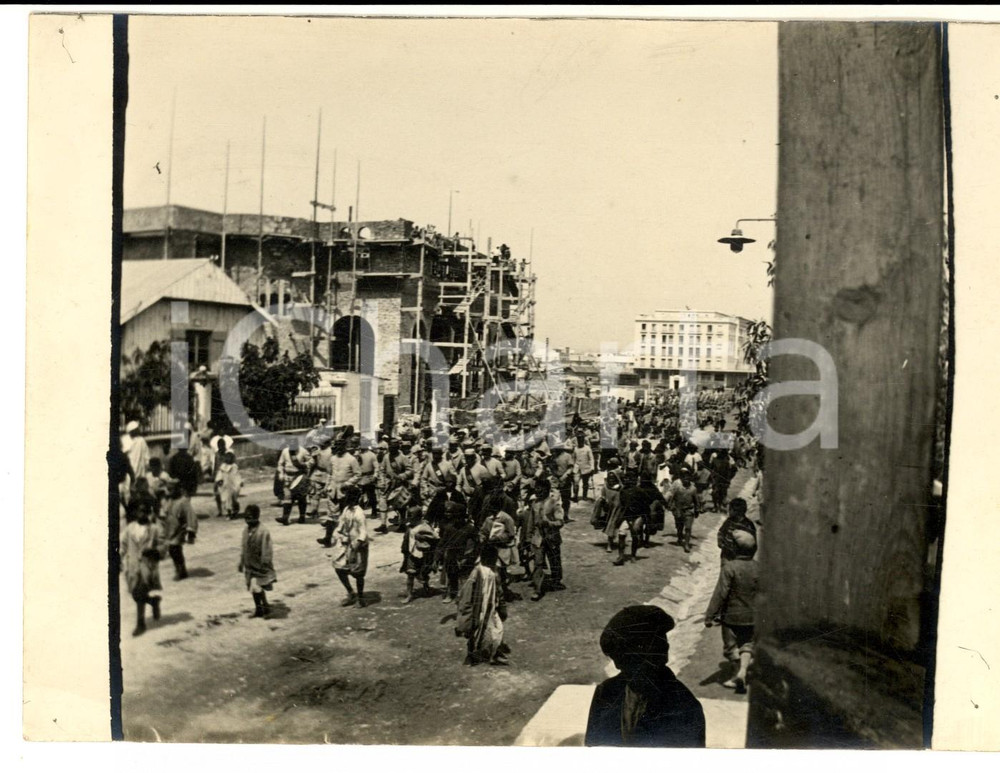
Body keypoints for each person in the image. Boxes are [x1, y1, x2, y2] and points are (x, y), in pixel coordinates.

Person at [585, 605, 706, 747]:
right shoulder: (606, 692)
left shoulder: (683, 707)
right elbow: (592, 748)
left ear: (658, 653)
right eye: (615, 658)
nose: (618, 666)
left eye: (624, 658)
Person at [705, 529, 759, 693]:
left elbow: (721, 593)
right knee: (747, 644)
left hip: (731, 616)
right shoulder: (760, 568)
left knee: (730, 647)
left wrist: (710, 615)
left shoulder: (730, 568)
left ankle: (737, 673)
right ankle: (742, 671)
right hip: (753, 616)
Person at [455, 544, 510, 666]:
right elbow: (467, 592)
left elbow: (499, 592)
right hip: (478, 608)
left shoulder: (494, 573)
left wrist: (502, 607)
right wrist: (466, 610)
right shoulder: (477, 572)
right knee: (475, 631)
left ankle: (494, 654)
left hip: (491, 608)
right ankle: (471, 655)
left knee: (497, 630)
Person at [120, 499, 163, 637]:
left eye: (145, 511)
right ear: (135, 512)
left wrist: (155, 551)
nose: (142, 514)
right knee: (135, 594)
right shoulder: (130, 528)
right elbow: (123, 545)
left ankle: (141, 624)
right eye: (139, 511)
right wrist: (117, 558)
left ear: (149, 513)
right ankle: (153, 601)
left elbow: (163, 544)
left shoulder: (154, 529)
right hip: (132, 566)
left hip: (147, 566)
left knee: (139, 593)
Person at [523, 477, 564, 601]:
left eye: (540, 489)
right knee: (538, 563)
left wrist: (549, 523)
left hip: (551, 537)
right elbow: (530, 522)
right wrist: (528, 538)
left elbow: (560, 522)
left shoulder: (554, 503)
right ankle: (538, 589)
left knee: (554, 561)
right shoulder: (534, 503)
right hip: (538, 538)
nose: (538, 492)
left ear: (547, 490)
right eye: (536, 489)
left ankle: (556, 580)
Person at [318, 438, 362, 547]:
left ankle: (348, 539)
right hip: (333, 491)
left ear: (344, 447)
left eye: (339, 446)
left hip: (346, 492)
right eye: (336, 446)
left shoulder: (351, 459)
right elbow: (330, 474)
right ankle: (327, 538)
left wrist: (347, 484)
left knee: (346, 515)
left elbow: (358, 474)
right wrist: (327, 486)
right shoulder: (333, 459)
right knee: (331, 515)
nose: (337, 449)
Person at [331, 486, 369, 607]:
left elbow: (363, 531)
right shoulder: (346, 509)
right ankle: (351, 592)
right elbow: (341, 524)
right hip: (346, 544)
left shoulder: (359, 513)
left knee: (358, 572)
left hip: (358, 545)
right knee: (339, 568)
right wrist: (336, 534)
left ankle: (361, 598)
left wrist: (357, 544)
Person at [238, 504, 276, 619]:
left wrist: (265, 562)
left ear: (257, 517)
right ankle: (264, 606)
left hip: (260, 565)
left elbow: (267, 548)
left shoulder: (263, 531)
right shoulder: (246, 530)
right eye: (246, 517)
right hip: (250, 565)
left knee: (257, 587)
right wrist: (241, 562)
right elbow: (243, 547)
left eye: (250, 517)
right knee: (255, 587)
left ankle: (260, 609)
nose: (247, 520)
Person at [400, 505, 438, 604]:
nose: (410, 517)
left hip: (423, 554)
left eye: (412, 515)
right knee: (410, 574)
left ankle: (426, 587)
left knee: (424, 572)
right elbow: (407, 539)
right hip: (412, 553)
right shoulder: (409, 525)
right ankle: (409, 594)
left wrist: (422, 537)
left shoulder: (424, 526)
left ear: (419, 516)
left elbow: (435, 538)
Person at [162, 479, 197, 580]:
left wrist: (191, 532)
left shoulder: (183, 501)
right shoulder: (169, 500)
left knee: (175, 549)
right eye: (168, 489)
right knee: (172, 550)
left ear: (178, 489)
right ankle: (179, 568)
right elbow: (165, 512)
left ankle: (181, 570)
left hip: (179, 530)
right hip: (170, 529)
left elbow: (191, 516)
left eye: (172, 489)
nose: (169, 491)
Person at [667, 469, 701, 553]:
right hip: (678, 510)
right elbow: (672, 497)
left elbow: (696, 501)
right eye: (684, 478)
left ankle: (686, 544)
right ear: (682, 479)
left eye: (688, 478)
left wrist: (697, 510)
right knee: (679, 526)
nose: (686, 480)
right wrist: (671, 507)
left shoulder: (693, 489)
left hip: (689, 510)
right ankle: (679, 537)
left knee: (688, 528)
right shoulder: (678, 487)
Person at [718, 498, 758, 562]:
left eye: (730, 509)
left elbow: (752, 543)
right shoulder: (729, 521)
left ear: (736, 511)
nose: (729, 511)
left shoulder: (748, 525)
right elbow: (721, 532)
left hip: (739, 558)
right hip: (726, 556)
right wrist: (721, 542)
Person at [214, 450, 243, 519]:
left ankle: (234, 510)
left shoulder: (234, 466)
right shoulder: (222, 466)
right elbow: (220, 474)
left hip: (232, 485)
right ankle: (229, 512)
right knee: (226, 499)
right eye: (227, 457)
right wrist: (219, 480)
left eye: (230, 457)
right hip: (225, 486)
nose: (228, 458)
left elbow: (237, 475)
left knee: (232, 499)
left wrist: (240, 481)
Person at [572, 432, 596, 502]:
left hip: (586, 468)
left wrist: (592, 468)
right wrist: (573, 467)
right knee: (575, 483)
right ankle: (575, 496)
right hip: (577, 469)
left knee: (585, 483)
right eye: (579, 439)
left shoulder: (587, 448)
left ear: (583, 440)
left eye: (581, 439)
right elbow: (573, 458)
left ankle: (584, 496)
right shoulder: (575, 448)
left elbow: (591, 459)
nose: (580, 440)